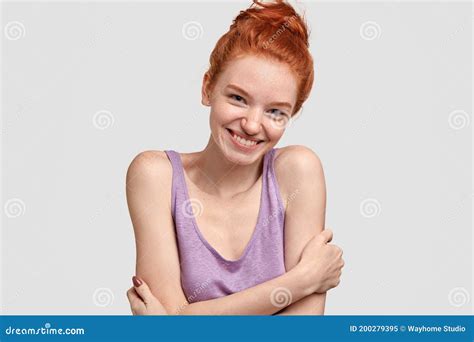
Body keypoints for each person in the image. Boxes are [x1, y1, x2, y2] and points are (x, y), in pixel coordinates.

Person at [126, 0, 344, 315]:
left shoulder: (298, 171)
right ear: (207, 88)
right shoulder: (155, 175)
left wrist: (188, 318)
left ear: (292, 115)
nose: (253, 125)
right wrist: (301, 281)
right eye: (238, 98)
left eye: (275, 111)